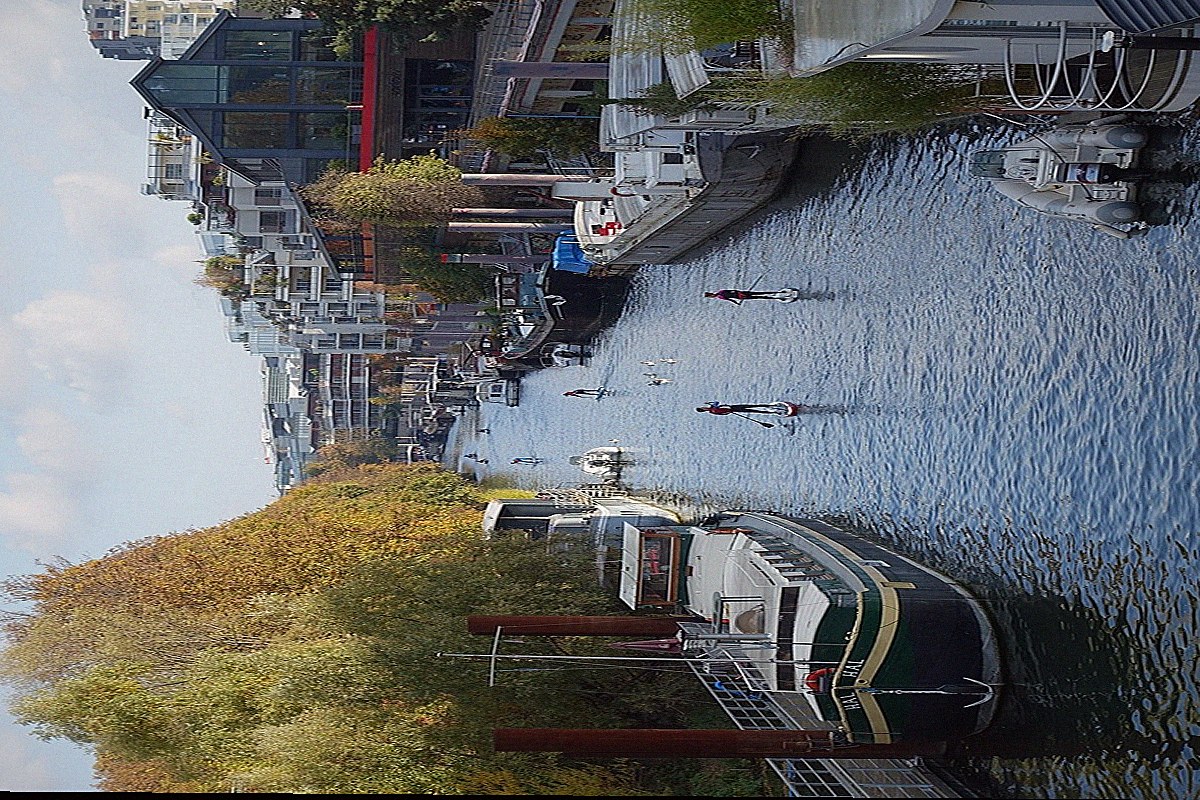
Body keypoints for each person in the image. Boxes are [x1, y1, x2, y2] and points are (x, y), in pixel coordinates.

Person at [704, 289, 786, 304]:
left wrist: (740, 293)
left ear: (711, 294)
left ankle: (779, 292)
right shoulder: (720, 297)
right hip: (742, 297)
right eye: (710, 297)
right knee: (760, 297)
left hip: (742, 294)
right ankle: (777, 297)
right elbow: (730, 299)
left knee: (760, 293)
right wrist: (736, 303)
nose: (712, 296)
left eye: (711, 295)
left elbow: (733, 291)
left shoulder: (721, 292)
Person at [695, 401, 782, 415]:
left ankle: (771, 407)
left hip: (733, 407)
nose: (704, 408)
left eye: (703, 407)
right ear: (703, 410)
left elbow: (717, 403)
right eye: (703, 408)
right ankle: (773, 411)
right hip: (734, 409)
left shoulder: (712, 409)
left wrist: (710, 403)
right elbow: (723, 413)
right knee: (754, 410)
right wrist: (729, 412)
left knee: (752, 407)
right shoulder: (713, 410)